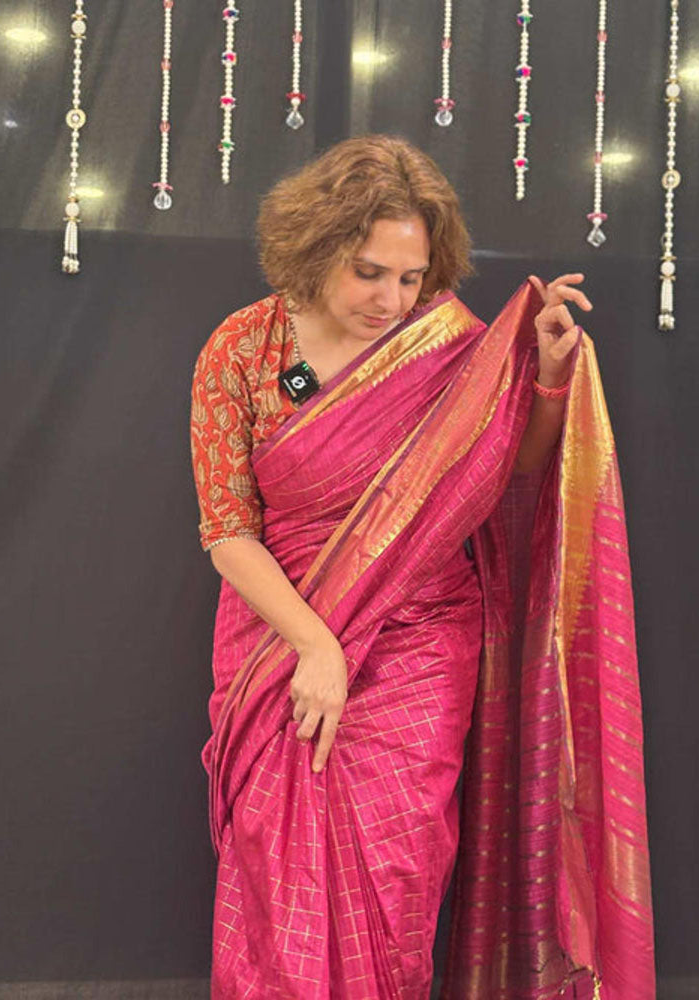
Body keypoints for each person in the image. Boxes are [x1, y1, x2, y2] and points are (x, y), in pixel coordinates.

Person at [190, 135, 654, 999]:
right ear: (316, 246)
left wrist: (550, 374)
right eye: (369, 273)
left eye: (410, 278)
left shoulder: (443, 344)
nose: (392, 299)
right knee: (275, 868)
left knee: (395, 871)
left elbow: (508, 470)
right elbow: (227, 530)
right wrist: (316, 647)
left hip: (419, 642)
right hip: (280, 637)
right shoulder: (244, 348)